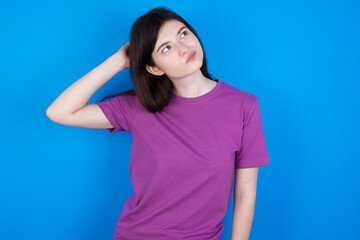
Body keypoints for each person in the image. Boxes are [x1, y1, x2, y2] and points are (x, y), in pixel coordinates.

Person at [46, 6, 270, 240]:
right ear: (154, 68)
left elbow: (245, 194)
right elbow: (60, 112)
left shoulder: (244, 106)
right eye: (166, 48)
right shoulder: (136, 108)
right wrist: (119, 61)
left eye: (183, 34)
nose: (184, 49)